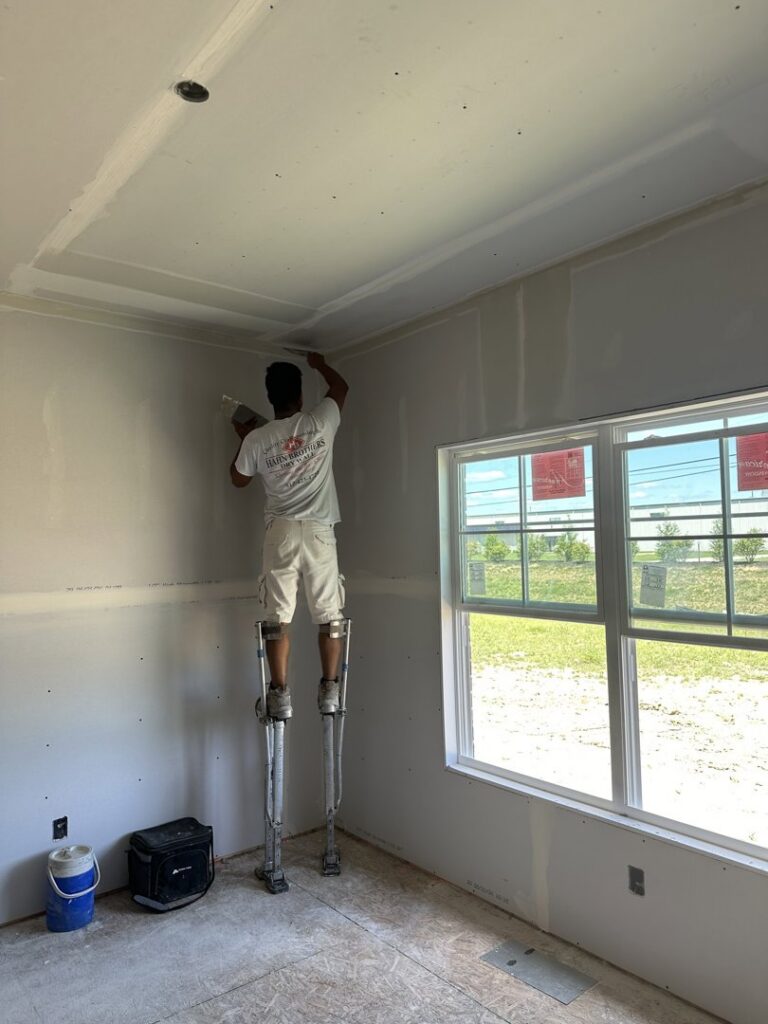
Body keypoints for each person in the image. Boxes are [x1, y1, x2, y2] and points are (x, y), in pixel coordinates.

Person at [230, 352, 348, 721]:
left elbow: (238, 479)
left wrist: (246, 440)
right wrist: (319, 363)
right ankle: (329, 690)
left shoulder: (258, 438)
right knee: (330, 615)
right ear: (299, 397)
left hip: (280, 532)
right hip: (318, 532)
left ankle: (279, 694)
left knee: (277, 617)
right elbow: (341, 387)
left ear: (270, 398)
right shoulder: (320, 420)